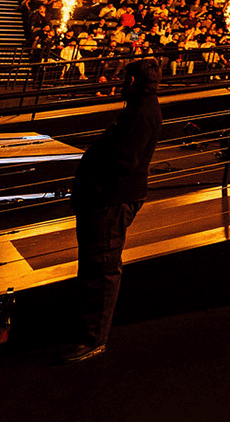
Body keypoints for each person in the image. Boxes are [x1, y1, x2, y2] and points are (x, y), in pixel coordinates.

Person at [60, 58, 163, 363]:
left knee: (101, 268)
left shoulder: (141, 113)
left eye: (124, 78)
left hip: (110, 200)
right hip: (106, 198)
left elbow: (123, 161)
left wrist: (95, 180)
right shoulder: (141, 109)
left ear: (131, 81)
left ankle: (93, 339)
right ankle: (89, 333)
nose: (120, 83)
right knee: (96, 266)